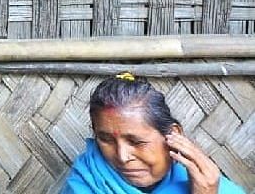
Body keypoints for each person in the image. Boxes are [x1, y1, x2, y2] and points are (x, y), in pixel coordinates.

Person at [65, 73, 245, 194]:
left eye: (136, 142)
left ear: (173, 136)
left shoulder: (210, 186)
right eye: (105, 140)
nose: (123, 157)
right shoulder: (87, 182)